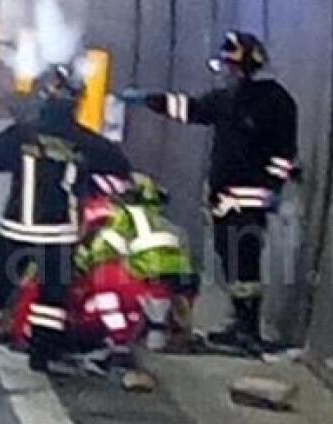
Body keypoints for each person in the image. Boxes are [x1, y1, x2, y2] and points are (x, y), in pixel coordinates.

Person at [0, 66, 132, 373]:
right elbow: (120, 165)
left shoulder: (21, 133)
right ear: (77, 101)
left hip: (17, 225)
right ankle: (42, 354)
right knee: (52, 296)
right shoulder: (84, 140)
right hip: (58, 231)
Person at [123, 31, 298, 352]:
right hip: (225, 199)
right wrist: (151, 100)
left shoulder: (275, 102)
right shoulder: (229, 99)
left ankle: (249, 330)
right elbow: (191, 109)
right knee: (232, 264)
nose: (227, 73)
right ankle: (241, 325)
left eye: (231, 66)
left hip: (248, 201)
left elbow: (283, 154)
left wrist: (272, 188)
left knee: (244, 265)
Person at [74, 174, 198, 352]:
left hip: (149, 271)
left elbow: (104, 248)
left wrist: (81, 263)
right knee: (162, 310)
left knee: (106, 278)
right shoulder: (162, 220)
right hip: (184, 277)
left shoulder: (126, 215)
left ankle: (121, 338)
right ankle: (168, 336)